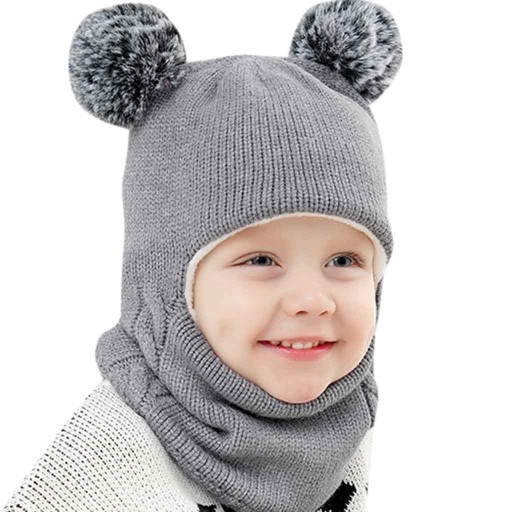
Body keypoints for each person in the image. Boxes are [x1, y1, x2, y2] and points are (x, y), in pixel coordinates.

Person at [2, 1, 403, 511]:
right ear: (169, 278)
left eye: (344, 261)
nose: (312, 299)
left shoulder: (341, 418)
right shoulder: (101, 470)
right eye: (261, 261)